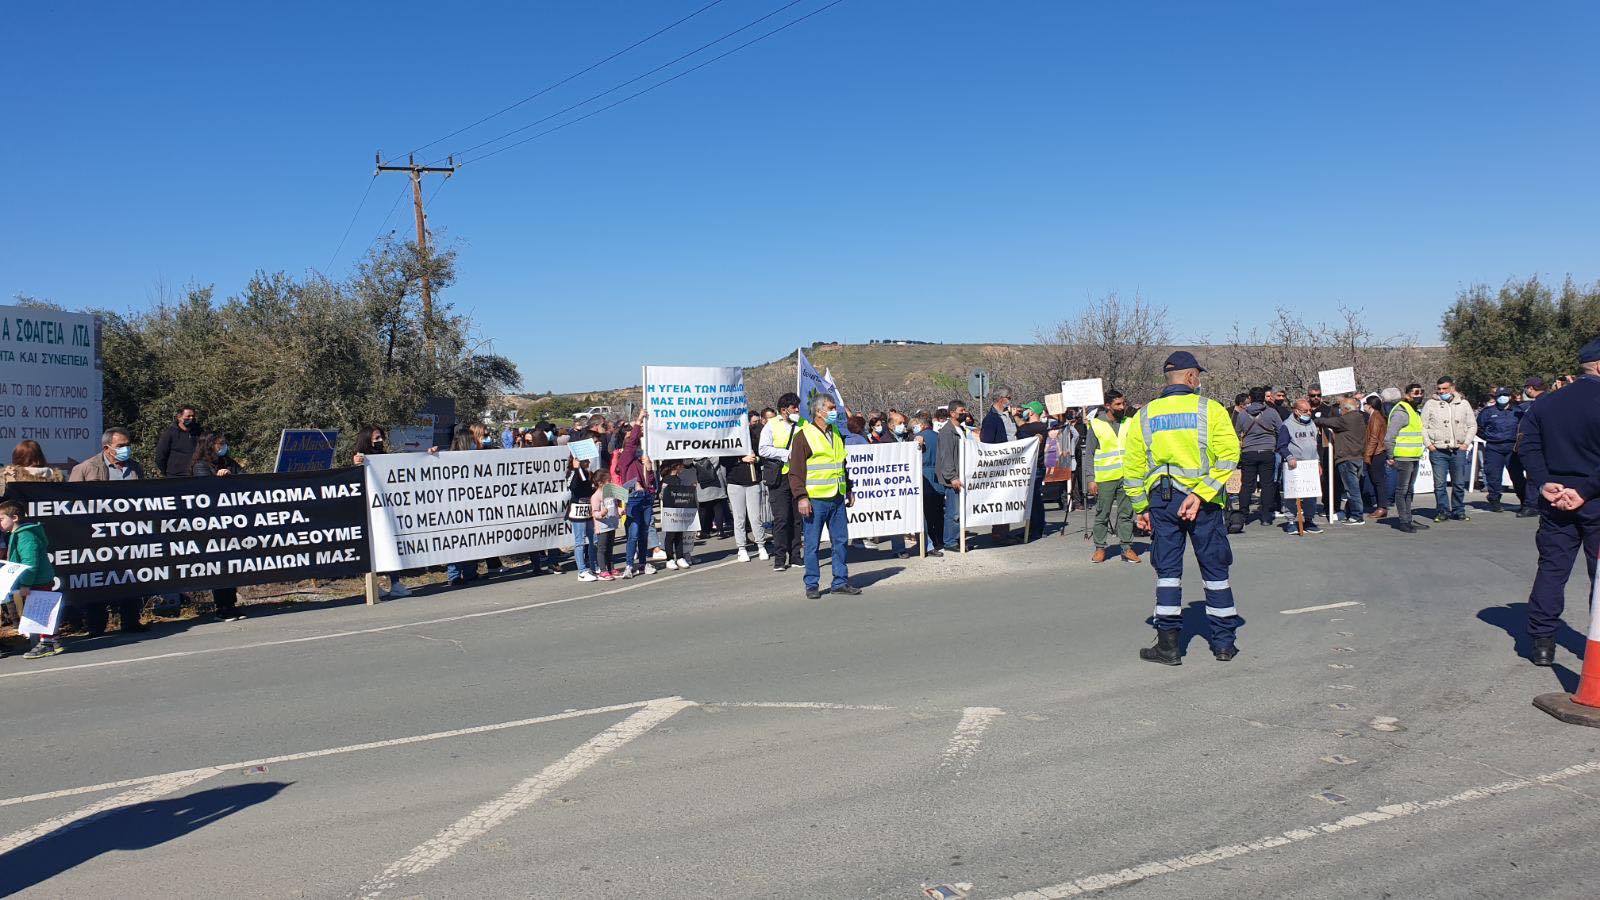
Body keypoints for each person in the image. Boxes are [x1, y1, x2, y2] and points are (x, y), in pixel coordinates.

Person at [1122, 351, 1243, 664]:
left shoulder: (1144, 415)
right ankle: (1223, 644)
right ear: (1191, 378)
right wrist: (1202, 493)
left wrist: (1140, 507)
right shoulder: (1210, 409)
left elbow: (1132, 467)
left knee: (1168, 572)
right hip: (1203, 504)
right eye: (1198, 375)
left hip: (1162, 501)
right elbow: (1229, 456)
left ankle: (1169, 646)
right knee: (1215, 570)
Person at [1516, 338, 1600, 667]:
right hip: (1594, 498)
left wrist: (1544, 482)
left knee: (1552, 570)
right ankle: (1594, 648)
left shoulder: (1546, 404)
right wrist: (1586, 491)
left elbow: (1526, 446)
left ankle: (1542, 643)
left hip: (1556, 497)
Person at [67, 427, 148, 634]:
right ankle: (96, 626)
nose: (126, 449)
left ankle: (131, 621)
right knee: (98, 580)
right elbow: (70, 504)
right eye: (121, 446)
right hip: (97, 536)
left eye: (128, 445)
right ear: (107, 447)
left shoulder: (135, 468)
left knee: (131, 578)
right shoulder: (86, 469)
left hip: (129, 533)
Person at [788, 396, 860, 599]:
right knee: (812, 545)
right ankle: (812, 584)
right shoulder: (804, 436)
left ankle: (840, 581)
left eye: (834, 408)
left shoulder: (836, 432)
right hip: (815, 500)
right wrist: (802, 497)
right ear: (818, 412)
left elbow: (841, 465)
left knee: (840, 541)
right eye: (830, 408)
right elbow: (795, 471)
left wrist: (849, 489)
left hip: (837, 497)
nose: (834, 411)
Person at [186, 432, 248, 617]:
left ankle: (230, 603)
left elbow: (245, 478)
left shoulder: (228, 462)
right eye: (219, 444)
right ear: (209, 446)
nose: (223, 447)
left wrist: (231, 476)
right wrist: (219, 480)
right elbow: (205, 491)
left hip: (230, 522)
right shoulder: (201, 466)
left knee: (231, 565)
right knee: (219, 566)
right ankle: (222, 606)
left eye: (224, 444)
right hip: (212, 524)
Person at [2, 500, 61, 659]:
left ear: (14, 518)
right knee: (41, 610)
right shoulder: (16, 535)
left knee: (39, 612)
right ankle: (52, 641)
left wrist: (26, 584)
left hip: (37, 580)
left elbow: (30, 563)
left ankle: (46, 644)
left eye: (1, 519)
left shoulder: (25, 536)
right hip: (35, 579)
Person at [1086, 390, 1137, 562]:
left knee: (1126, 514)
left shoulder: (1129, 422)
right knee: (1102, 514)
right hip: (1105, 477)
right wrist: (1090, 479)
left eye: (1123, 403)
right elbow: (1089, 454)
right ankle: (1100, 548)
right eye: (1118, 404)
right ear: (1108, 406)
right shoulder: (1096, 424)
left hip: (1127, 476)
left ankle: (1127, 547)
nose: (1123, 407)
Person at [759, 393, 805, 571]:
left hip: (798, 476)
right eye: (794, 408)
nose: (797, 410)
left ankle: (795, 556)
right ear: (784, 410)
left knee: (796, 518)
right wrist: (785, 454)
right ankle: (779, 558)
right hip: (779, 477)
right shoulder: (771, 425)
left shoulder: (803, 424)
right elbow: (763, 449)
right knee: (781, 518)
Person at [1422, 376, 1477, 522]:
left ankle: (1459, 510)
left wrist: (1466, 443)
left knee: (1458, 483)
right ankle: (1442, 510)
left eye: (1444, 389)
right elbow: (1423, 426)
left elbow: (1472, 425)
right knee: (1439, 484)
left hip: (1458, 449)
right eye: (1439, 389)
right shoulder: (1430, 404)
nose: (1441, 391)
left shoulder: (1463, 404)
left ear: (1452, 388)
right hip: (1438, 450)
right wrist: (1429, 445)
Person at [721, 417, 769, 563]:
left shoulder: (754, 438)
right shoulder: (728, 440)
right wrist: (741, 459)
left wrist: (756, 460)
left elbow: (763, 455)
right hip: (735, 484)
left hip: (753, 482)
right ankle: (741, 548)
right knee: (739, 517)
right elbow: (723, 461)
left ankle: (761, 545)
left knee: (755, 517)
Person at [1316, 393, 1369, 524]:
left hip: (1347, 458)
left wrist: (1317, 419)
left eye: (1341, 407)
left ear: (1346, 409)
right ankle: (1351, 512)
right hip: (1357, 457)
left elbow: (1328, 422)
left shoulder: (1347, 419)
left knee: (1352, 489)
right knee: (1354, 487)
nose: (1340, 410)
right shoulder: (1360, 418)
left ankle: (1357, 515)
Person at [1233, 387, 1282, 527]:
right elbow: (1281, 429)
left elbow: (1236, 432)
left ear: (1250, 398)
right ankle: (1266, 516)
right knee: (1267, 484)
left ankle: (1243, 515)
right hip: (1267, 451)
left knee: (1247, 484)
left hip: (1248, 452)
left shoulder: (1242, 414)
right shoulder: (1272, 412)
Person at [1385, 383, 1429, 533]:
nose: (1419, 396)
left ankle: (1408, 518)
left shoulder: (1414, 411)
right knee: (1402, 490)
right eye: (1415, 393)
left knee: (1409, 490)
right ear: (1407, 395)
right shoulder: (1401, 411)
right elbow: (1390, 437)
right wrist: (1391, 456)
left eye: (1421, 392)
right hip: (1403, 457)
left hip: (1414, 456)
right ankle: (1403, 521)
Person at [1277, 397, 1324, 534]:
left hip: (1310, 464)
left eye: (1309, 410)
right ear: (1297, 411)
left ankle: (1308, 520)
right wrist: (1289, 456)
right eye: (1305, 411)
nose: (1309, 413)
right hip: (1294, 464)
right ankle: (1291, 521)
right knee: (1292, 493)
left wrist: (1318, 463)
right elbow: (1281, 445)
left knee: (1310, 493)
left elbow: (1314, 445)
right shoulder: (1287, 425)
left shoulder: (1312, 424)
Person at [1477, 387, 1526, 514]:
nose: (1503, 397)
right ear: (1496, 397)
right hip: (1494, 447)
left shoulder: (1518, 411)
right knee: (1493, 476)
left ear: (1510, 396)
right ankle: (1494, 500)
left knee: (1517, 476)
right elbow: (1479, 427)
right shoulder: (1488, 412)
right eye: (1500, 395)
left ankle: (1525, 501)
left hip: (1512, 448)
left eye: (1505, 395)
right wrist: (1489, 437)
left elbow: (1523, 428)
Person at [979, 387, 1018, 546]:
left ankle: (1005, 531)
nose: (1010, 399)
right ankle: (999, 533)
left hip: (1013, 463)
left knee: (1009, 498)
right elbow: (987, 443)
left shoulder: (1007, 416)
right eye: (1009, 397)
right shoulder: (991, 419)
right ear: (1002, 399)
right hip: (1001, 465)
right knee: (1001, 498)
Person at [935, 399, 969, 551]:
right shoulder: (947, 432)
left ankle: (957, 538)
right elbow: (946, 456)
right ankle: (950, 541)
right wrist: (952, 476)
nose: (964, 413)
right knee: (953, 512)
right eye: (961, 411)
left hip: (962, 475)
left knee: (960, 511)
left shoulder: (961, 429)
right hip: (953, 479)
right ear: (952, 413)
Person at [913, 412, 944, 556]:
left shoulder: (918, 439)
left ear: (922, 424)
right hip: (938, 477)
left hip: (923, 476)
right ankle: (939, 540)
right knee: (938, 512)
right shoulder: (939, 436)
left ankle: (929, 543)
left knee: (925, 514)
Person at [659, 460, 696, 569]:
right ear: (676, 467)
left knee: (680, 535)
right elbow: (661, 495)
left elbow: (683, 493)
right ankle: (669, 558)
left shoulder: (679, 479)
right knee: (670, 536)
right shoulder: (666, 480)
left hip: (680, 511)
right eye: (681, 466)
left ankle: (680, 557)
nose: (682, 468)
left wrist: (690, 489)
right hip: (670, 512)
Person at [566, 458, 599, 581]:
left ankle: (594, 565)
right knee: (579, 541)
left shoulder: (587, 473)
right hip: (577, 510)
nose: (589, 463)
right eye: (586, 461)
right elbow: (573, 486)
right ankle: (581, 571)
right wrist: (576, 469)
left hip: (588, 509)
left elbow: (589, 487)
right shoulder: (572, 472)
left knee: (594, 539)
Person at [1363, 392, 1394, 520]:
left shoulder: (1375, 417)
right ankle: (1380, 506)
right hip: (1377, 452)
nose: (1363, 406)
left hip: (1377, 453)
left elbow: (1374, 438)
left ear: (1369, 405)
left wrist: (1368, 455)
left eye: (1365, 404)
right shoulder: (1376, 416)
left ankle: (1382, 507)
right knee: (1377, 481)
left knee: (1378, 481)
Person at [154, 405, 200, 478]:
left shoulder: (199, 432)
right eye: (188, 416)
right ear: (179, 417)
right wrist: (168, 472)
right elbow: (160, 456)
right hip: (175, 476)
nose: (191, 418)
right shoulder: (169, 434)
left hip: (195, 475)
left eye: (193, 416)